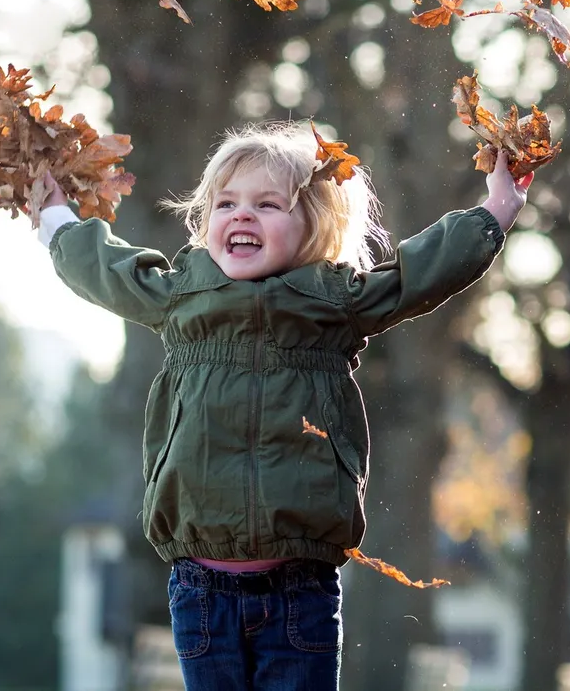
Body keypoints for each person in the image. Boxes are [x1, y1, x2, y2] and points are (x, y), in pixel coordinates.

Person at [35, 121, 531, 690]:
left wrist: (496, 207)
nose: (242, 215)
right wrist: (55, 217)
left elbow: (418, 273)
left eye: (268, 204)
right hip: (201, 587)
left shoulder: (333, 302)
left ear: (312, 225)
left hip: (300, 586)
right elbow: (105, 267)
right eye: (226, 203)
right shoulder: (181, 295)